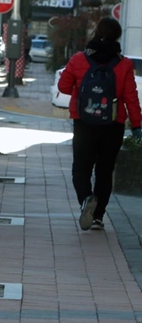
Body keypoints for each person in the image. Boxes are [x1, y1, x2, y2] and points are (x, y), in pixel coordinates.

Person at [58, 17, 142, 231]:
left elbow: (64, 86)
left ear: (96, 32)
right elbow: (131, 97)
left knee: (81, 168)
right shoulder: (124, 64)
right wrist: (137, 126)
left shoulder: (79, 59)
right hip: (113, 124)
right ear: (118, 37)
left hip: (84, 122)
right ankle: (97, 217)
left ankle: (86, 199)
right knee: (105, 172)